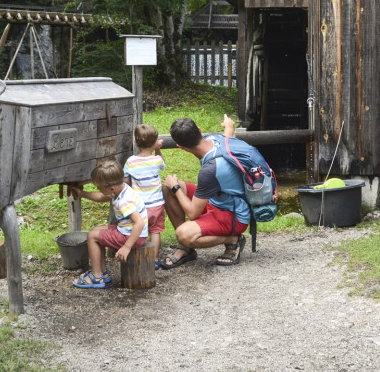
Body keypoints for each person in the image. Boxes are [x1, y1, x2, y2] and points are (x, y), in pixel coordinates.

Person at [160, 113, 248, 269]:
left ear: (180, 147)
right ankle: (186, 247)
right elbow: (229, 136)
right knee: (166, 187)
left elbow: (193, 213)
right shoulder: (217, 139)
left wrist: (176, 187)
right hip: (217, 199)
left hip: (233, 214)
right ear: (199, 130)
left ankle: (232, 239)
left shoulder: (210, 171)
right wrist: (228, 125)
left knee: (183, 233)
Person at [68, 158, 148, 289]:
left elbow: (139, 223)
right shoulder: (120, 189)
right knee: (95, 231)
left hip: (132, 236)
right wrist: (82, 193)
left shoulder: (124, 201)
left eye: (99, 187)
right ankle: (102, 272)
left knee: (92, 237)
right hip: (127, 230)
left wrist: (126, 247)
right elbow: (100, 197)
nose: (98, 189)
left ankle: (96, 276)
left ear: (111, 188)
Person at [124, 123, 167, 267]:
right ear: (155, 143)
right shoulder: (156, 160)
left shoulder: (131, 162)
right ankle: (154, 259)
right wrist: (158, 150)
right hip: (156, 204)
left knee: (138, 230)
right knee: (155, 232)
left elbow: (125, 180)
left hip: (139, 206)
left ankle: (137, 257)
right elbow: (163, 164)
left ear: (136, 142)